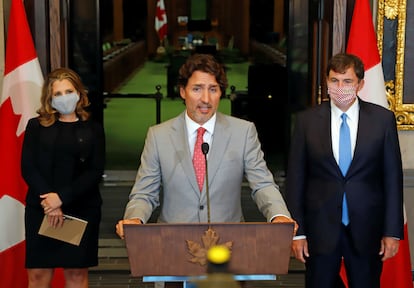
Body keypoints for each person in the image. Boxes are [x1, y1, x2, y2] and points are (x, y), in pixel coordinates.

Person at [116, 53, 296, 235]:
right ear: (182, 91)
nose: (205, 99)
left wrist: (278, 215)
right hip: (173, 244)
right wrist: (135, 217)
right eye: (197, 89)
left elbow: (262, 184)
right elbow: (145, 193)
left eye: (213, 89)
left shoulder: (243, 132)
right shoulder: (159, 136)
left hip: (229, 243)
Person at [285, 53, 404, 288]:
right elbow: (296, 179)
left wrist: (392, 231)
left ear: (360, 84)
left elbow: (392, 178)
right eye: (334, 81)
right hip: (320, 231)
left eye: (347, 81)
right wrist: (297, 232)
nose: (340, 87)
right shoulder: (306, 121)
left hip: (367, 229)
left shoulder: (382, 120)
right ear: (326, 83)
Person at [21, 67, 105, 288]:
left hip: (80, 209)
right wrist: (51, 203)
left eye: (69, 91)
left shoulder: (93, 129)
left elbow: (95, 171)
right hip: (42, 209)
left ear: (79, 93)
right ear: (49, 98)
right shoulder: (36, 126)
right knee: (38, 275)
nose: (64, 97)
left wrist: (61, 199)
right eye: (58, 94)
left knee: (76, 275)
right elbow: (28, 167)